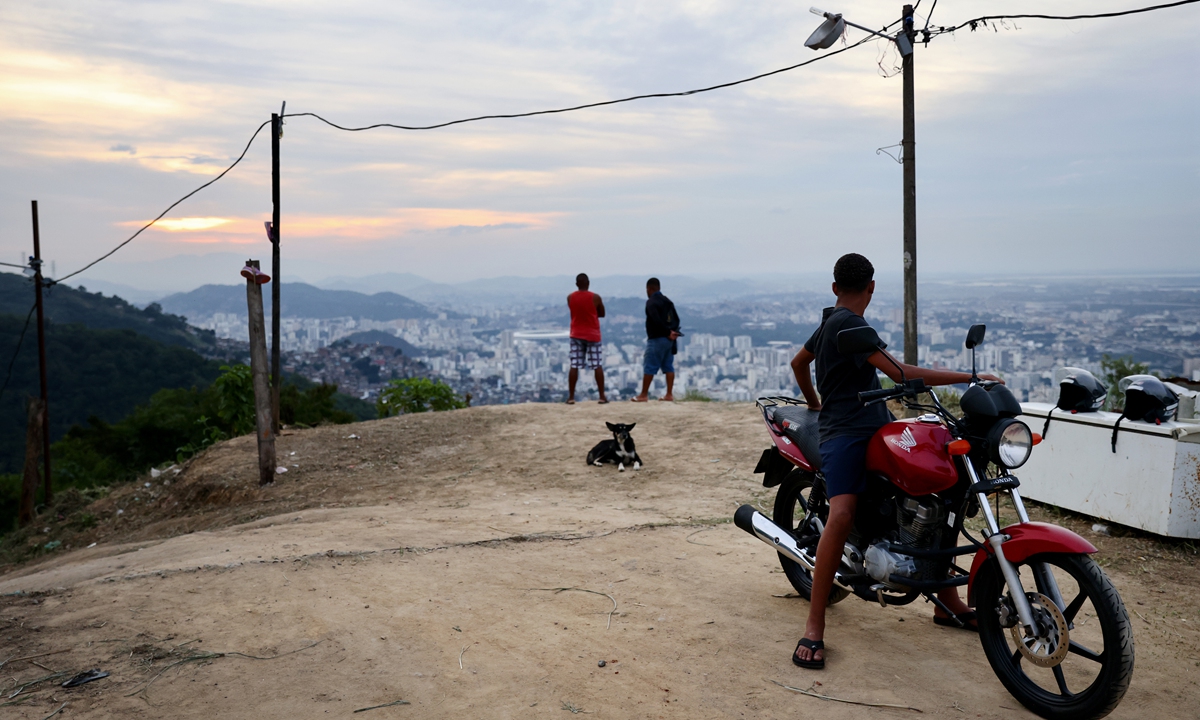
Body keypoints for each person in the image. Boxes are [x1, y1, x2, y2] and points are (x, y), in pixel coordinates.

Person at [789, 253, 1003, 669]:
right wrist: (969, 377)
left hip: (875, 423)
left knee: (938, 489)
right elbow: (901, 373)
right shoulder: (849, 324)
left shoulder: (830, 321)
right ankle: (814, 625)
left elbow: (799, 364)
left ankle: (948, 602)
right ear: (872, 287)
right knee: (842, 512)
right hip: (845, 433)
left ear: (835, 288)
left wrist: (815, 401)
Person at [632, 277, 681, 402]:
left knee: (650, 366)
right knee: (668, 366)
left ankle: (643, 395)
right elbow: (676, 319)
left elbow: (655, 320)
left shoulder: (651, 302)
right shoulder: (668, 301)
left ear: (649, 289)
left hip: (657, 338)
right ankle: (669, 394)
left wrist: (666, 332)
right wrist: (672, 332)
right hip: (670, 340)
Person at [567, 273, 608, 404]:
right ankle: (602, 396)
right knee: (597, 365)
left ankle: (571, 397)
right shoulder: (595, 297)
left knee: (574, 365)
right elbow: (602, 313)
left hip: (576, 334)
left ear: (576, 284)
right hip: (592, 335)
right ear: (588, 283)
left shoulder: (570, 297)